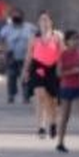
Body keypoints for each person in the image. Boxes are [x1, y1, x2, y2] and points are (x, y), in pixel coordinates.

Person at [22, 11, 62, 139]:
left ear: (51, 22)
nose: (44, 23)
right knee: (40, 96)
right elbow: (29, 56)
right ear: (38, 23)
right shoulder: (34, 38)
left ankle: (53, 123)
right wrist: (26, 71)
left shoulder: (57, 36)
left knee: (52, 100)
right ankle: (41, 127)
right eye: (41, 20)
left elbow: (62, 54)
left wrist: (61, 70)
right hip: (38, 68)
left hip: (53, 70)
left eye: (46, 20)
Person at [0, 9, 34, 105]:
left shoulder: (30, 27)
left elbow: (36, 38)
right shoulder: (6, 28)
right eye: (14, 16)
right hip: (12, 56)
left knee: (26, 77)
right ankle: (11, 95)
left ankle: (26, 96)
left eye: (18, 15)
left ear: (22, 17)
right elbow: (2, 40)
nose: (16, 17)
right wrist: (4, 52)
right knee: (11, 76)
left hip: (26, 56)